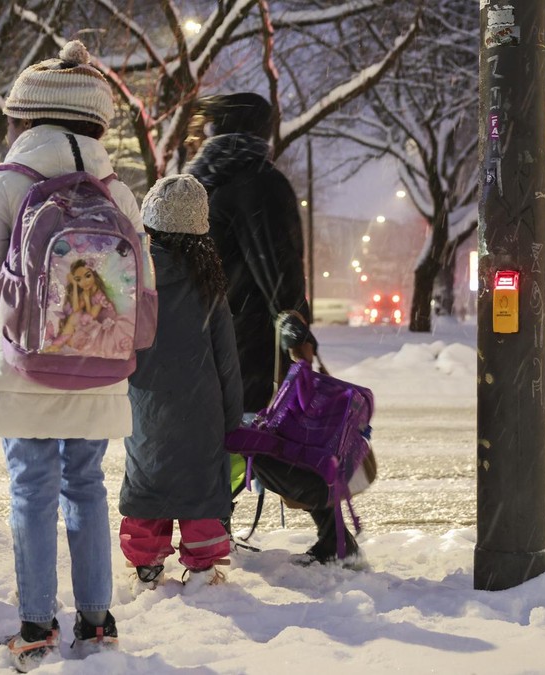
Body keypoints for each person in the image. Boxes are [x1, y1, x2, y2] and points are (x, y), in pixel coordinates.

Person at [0, 41, 144, 670]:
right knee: (86, 484)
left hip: (26, 365)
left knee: (32, 488)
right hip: (101, 367)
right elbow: (142, 295)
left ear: (24, 118)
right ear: (96, 122)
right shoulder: (119, 192)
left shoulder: (10, 182)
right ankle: (97, 621)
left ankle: (35, 626)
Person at [185, 92, 359, 567]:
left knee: (244, 437)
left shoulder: (222, 181)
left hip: (228, 332)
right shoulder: (246, 181)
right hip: (239, 332)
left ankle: (220, 532)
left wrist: (289, 320)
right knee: (254, 436)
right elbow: (273, 262)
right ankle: (329, 536)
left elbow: (266, 261)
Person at [119, 174, 243, 590]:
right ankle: (204, 566)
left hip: (144, 404)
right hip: (201, 409)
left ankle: (146, 562)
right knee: (200, 486)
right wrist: (231, 420)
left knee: (147, 481)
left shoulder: (134, 276)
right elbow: (227, 359)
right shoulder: (208, 284)